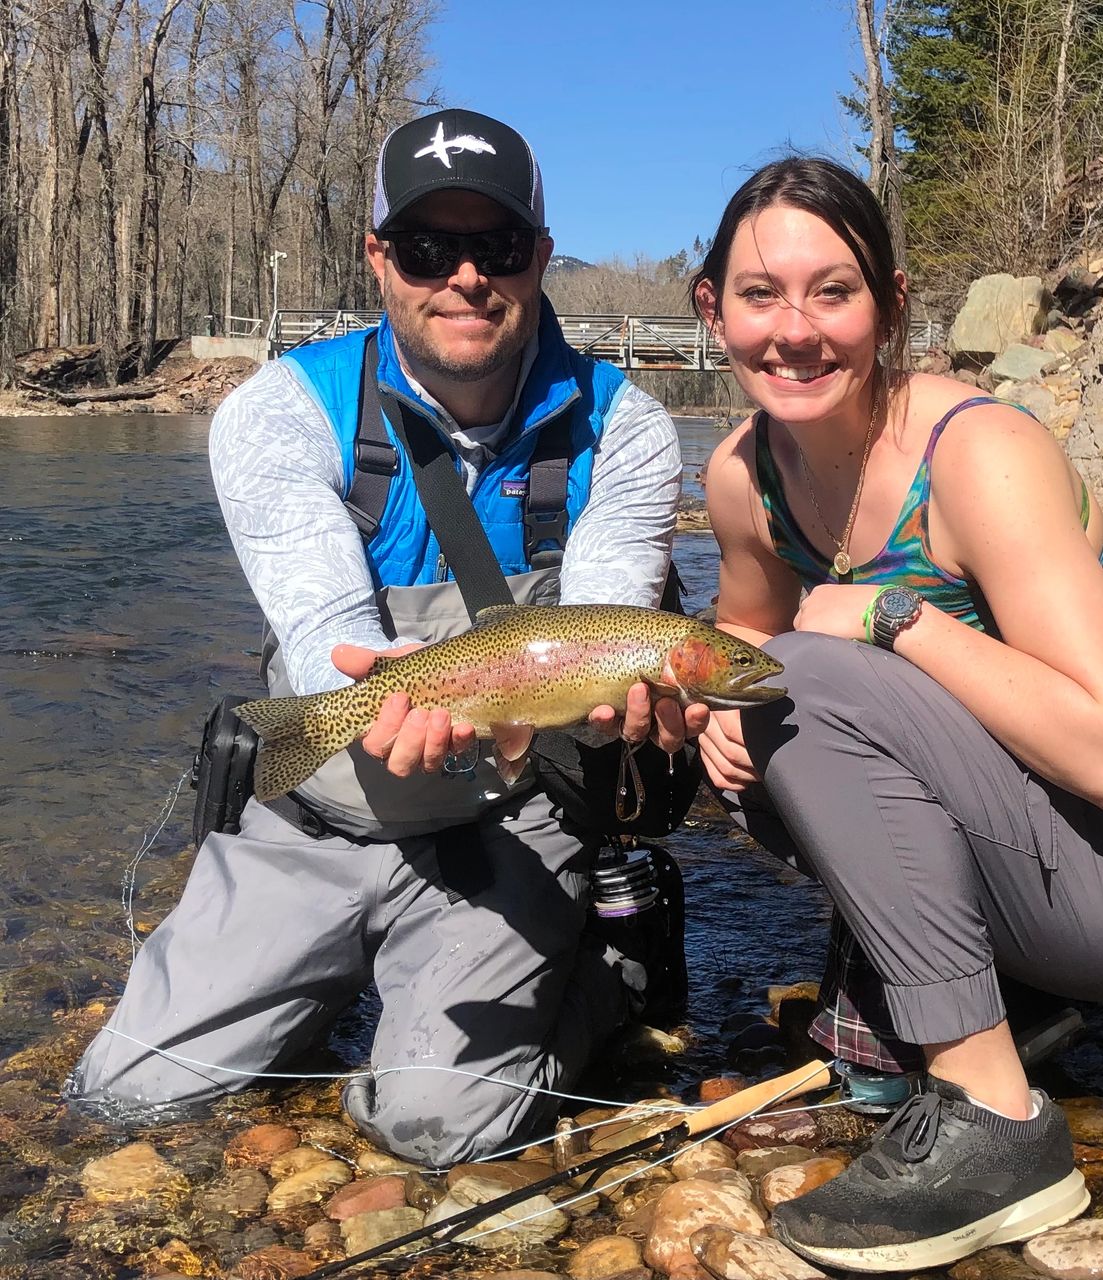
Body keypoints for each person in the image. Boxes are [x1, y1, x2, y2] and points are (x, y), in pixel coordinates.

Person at [67, 108, 706, 1166]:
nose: (464, 275)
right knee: (126, 1094)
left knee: (438, 1127)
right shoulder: (279, 411)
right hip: (317, 819)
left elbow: (603, 627)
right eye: (426, 246)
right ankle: (301, 987)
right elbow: (324, 632)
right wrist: (365, 698)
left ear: (540, 257)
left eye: (495, 246)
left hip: (504, 824)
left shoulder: (623, 427)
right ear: (378, 257)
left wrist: (628, 704)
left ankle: (607, 970)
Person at [691, 156, 1103, 1273]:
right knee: (771, 701)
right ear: (713, 308)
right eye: (759, 293)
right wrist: (713, 699)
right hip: (1012, 877)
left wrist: (893, 617)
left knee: (812, 675)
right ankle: (970, 1004)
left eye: (832, 291)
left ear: (891, 306)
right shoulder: (739, 476)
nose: (793, 329)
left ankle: (995, 1120)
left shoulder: (978, 455)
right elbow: (742, 642)